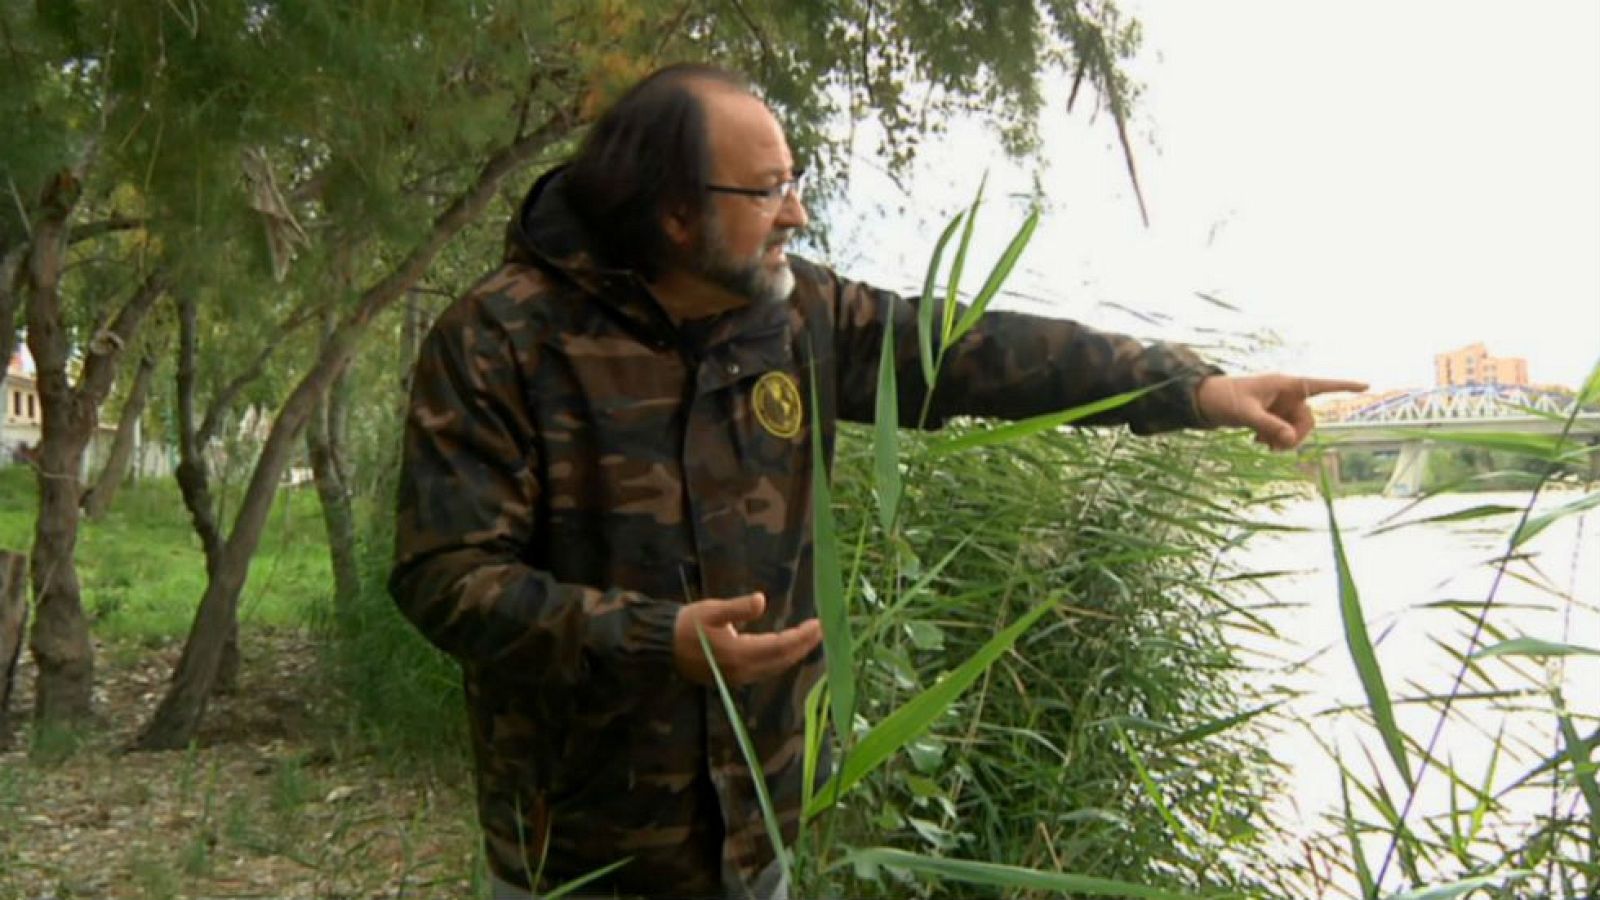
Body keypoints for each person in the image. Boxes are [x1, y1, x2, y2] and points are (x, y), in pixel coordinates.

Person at [389, 63, 1364, 900]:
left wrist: (1193, 389)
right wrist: (655, 641)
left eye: (794, 181)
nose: (797, 213)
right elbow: (444, 577)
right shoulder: (499, 339)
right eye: (766, 191)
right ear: (675, 214)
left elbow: (979, 353)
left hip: (758, 832)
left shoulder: (797, 316)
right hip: (580, 852)